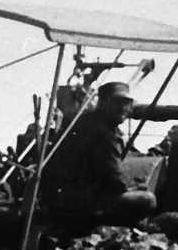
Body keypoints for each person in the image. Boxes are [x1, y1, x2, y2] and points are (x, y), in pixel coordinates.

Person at [39, 81, 159, 226]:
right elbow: (113, 179)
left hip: (60, 196)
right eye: (117, 103)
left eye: (126, 103)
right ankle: (103, 228)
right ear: (102, 103)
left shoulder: (85, 121)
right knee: (147, 200)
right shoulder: (104, 133)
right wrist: (131, 188)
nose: (122, 108)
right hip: (73, 200)